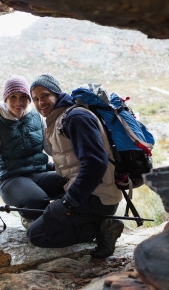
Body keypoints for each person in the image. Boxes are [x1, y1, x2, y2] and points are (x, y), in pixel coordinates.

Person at [28, 74, 124, 258]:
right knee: (34, 184)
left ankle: (101, 227)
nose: (41, 102)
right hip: (87, 188)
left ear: (56, 94)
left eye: (45, 95)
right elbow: (72, 160)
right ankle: (77, 220)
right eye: (36, 99)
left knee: (37, 234)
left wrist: (67, 202)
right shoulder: (60, 117)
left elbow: (95, 163)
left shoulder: (75, 117)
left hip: (99, 197)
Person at [0, 75, 68, 229]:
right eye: (13, 97)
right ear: (6, 98)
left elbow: (51, 149)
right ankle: (31, 218)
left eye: (24, 97)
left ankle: (64, 220)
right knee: (36, 201)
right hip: (12, 179)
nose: (19, 102)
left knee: (76, 181)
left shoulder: (36, 117)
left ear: (30, 99)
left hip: (40, 172)